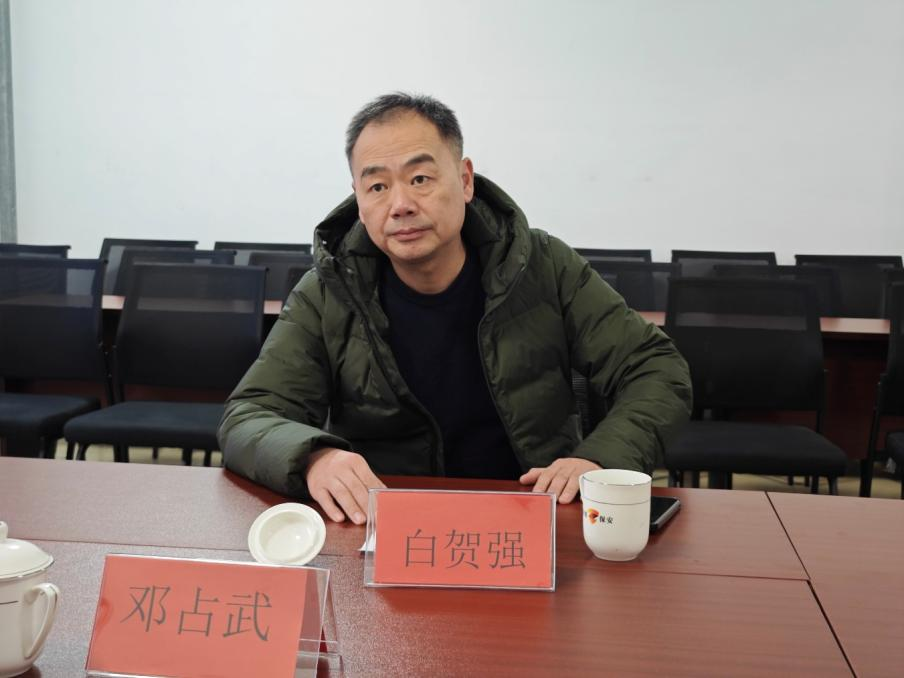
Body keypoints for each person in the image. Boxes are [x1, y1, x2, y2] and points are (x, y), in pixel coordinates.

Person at [219, 93, 691, 524]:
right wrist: (313, 457)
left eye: (420, 179)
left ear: (465, 180)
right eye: (377, 187)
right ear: (358, 199)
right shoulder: (328, 291)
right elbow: (248, 415)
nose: (400, 204)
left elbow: (655, 368)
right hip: (386, 525)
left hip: (532, 518)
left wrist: (598, 460)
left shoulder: (542, 266)